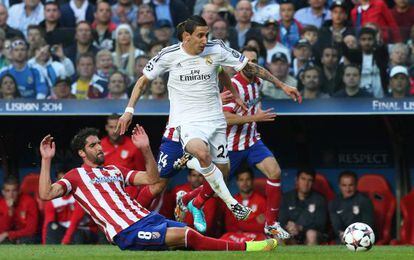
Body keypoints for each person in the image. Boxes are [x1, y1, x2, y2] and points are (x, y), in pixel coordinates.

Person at [117, 15, 301, 234]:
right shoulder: (169, 55)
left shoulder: (216, 50)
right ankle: (128, 222)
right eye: (200, 35)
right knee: (159, 182)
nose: (205, 40)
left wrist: (281, 85)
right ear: (186, 36)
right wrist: (129, 111)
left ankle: (193, 200)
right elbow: (142, 81)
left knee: (221, 173)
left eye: (207, 35)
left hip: (214, 122)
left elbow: (235, 70)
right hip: (183, 124)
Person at [38, 125, 278, 251]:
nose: (99, 147)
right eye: (93, 145)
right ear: (82, 152)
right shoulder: (76, 175)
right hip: (126, 231)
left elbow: (153, 178)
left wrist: (145, 149)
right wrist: (46, 159)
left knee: (188, 236)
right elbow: (46, 194)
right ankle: (249, 249)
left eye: (99, 143)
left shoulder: (114, 170)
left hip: (148, 218)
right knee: (189, 236)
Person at [221, 46, 290, 238]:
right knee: (214, 186)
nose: (251, 65)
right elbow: (225, 117)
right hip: (231, 146)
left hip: (251, 142)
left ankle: (271, 224)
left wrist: (283, 86)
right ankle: (191, 202)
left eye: (254, 61)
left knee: (275, 172)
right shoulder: (233, 85)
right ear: (238, 65)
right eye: (247, 61)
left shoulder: (257, 81)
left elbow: (265, 74)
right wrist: (255, 118)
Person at [279, 169, 327, 245]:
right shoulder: (286, 197)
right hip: (291, 235)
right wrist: (289, 227)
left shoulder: (319, 199)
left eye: (309, 180)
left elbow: (321, 224)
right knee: (279, 235)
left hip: (310, 235)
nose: (306, 183)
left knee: (311, 234)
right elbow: (281, 220)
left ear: (313, 183)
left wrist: (300, 227)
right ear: (297, 180)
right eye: (303, 179)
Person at [220, 167, 267, 243]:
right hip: (236, 236)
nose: (245, 183)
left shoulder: (262, 201)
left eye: (247, 179)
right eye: (241, 180)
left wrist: (240, 223)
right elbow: (229, 226)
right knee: (223, 239)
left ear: (252, 181)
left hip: (256, 236)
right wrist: (254, 220)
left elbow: (263, 227)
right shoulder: (232, 201)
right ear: (237, 182)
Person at [342, 27, 389, 98]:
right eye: (363, 39)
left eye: (370, 39)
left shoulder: (380, 55)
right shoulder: (355, 55)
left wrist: (380, 43)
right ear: (359, 41)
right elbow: (345, 51)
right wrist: (339, 41)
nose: (367, 42)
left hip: (379, 96)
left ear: (374, 40)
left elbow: (383, 52)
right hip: (359, 96)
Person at [329, 171, 375, 243]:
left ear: (356, 185)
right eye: (344, 185)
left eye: (351, 185)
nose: (348, 189)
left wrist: (355, 237)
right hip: (342, 239)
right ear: (339, 186)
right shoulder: (334, 203)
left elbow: (367, 225)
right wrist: (345, 237)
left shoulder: (364, 201)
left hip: (363, 239)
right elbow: (337, 226)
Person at [172, 169, 219, 237]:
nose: (197, 179)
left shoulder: (213, 196)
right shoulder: (178, 190)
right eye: (194, 175)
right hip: (182, 233)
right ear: (189, 177)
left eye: (200, 175)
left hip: (205, 235)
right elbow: (170, 211)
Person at [0, 178, 39, 244]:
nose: (11, 194)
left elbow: (32, 230)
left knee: (27, 240)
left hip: (27, 237)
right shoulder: (1, 204)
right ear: (3, 192)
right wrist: (10, 211)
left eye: (14, 191)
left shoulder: (29, 202)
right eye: (7, 191)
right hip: (10, 238)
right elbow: (2, 231)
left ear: (19, 191)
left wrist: (8, 234)